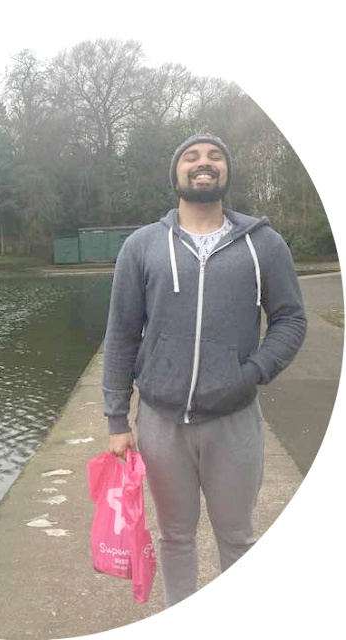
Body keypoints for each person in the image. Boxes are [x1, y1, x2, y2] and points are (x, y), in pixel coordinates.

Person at [101, 133, 307, 609]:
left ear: (226, 171)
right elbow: (122, 333)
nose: (204, 163)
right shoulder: (142, 246)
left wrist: (253, 371)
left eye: (215, 156)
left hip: (234, 420)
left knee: (237, 538)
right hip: (161, 423)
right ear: (176, 173)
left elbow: (291, 319)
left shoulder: (264, 244)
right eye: (191, 157)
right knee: (175, 537)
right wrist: (116, 419)